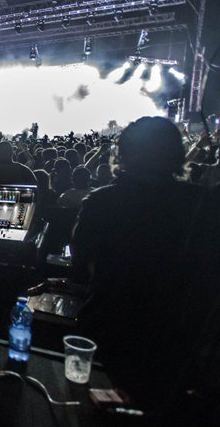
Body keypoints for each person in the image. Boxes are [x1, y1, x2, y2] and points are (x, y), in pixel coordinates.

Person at [70, 116, 209, 415]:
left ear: (124, 153)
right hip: (176, 345)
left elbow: (78, 268)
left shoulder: (101, 202)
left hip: (108, 332)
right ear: (175, 154)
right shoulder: (202, 204)